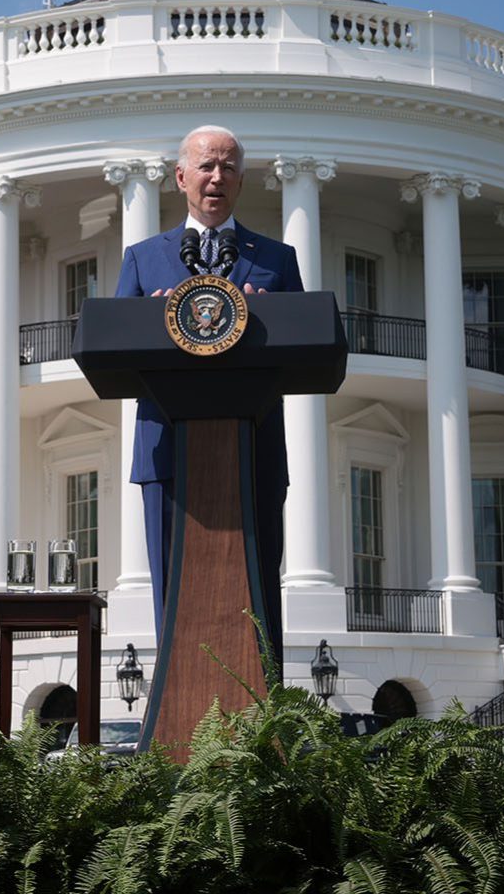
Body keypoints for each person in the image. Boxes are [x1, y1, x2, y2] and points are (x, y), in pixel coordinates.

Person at [113, 126, 303, 665]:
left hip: (254, 452)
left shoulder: (277, 260)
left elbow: (304, 347)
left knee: (258, 592)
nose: (215, 176)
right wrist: (154, 317)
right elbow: (114, 346)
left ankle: (264, 714)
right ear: (181, 177)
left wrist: (264, 319)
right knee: (172, 596)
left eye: (227, 167)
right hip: (167, 455)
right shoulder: (144, 259)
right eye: (204, 166)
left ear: (241, 182)